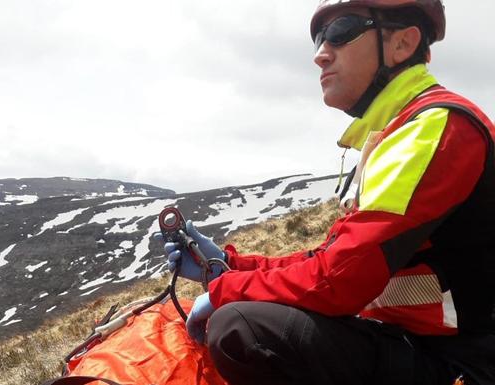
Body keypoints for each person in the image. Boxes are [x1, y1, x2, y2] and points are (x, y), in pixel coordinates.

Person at [156, 1, 495, 384]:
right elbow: (334, 258)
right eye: (318, 38)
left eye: (340, 31)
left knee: (242, 329)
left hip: (464, 363)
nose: (320, 54)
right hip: (417, 343)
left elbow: (339, 281)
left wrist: (225, 290)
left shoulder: (435, 131)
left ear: (402, 44)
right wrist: (230, 267)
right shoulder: (399, 132)